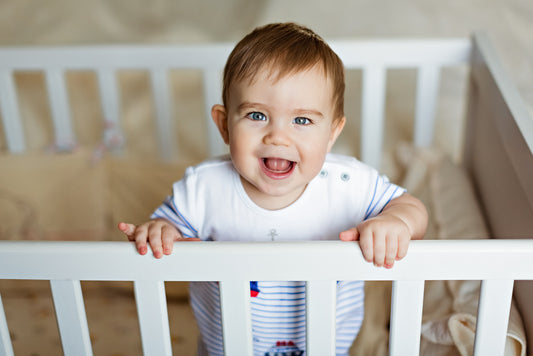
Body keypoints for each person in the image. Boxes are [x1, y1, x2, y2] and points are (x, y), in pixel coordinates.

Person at [118, 22, 427, 356]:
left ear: (332, 133)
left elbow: (411, 208)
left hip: (327, 348)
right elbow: (168, 229)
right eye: (256, 115)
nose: (277, 137)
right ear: (224, 124)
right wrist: (159, 232)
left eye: (302, 121)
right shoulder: (204, 188)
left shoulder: (348, 184)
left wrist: (396, 223)